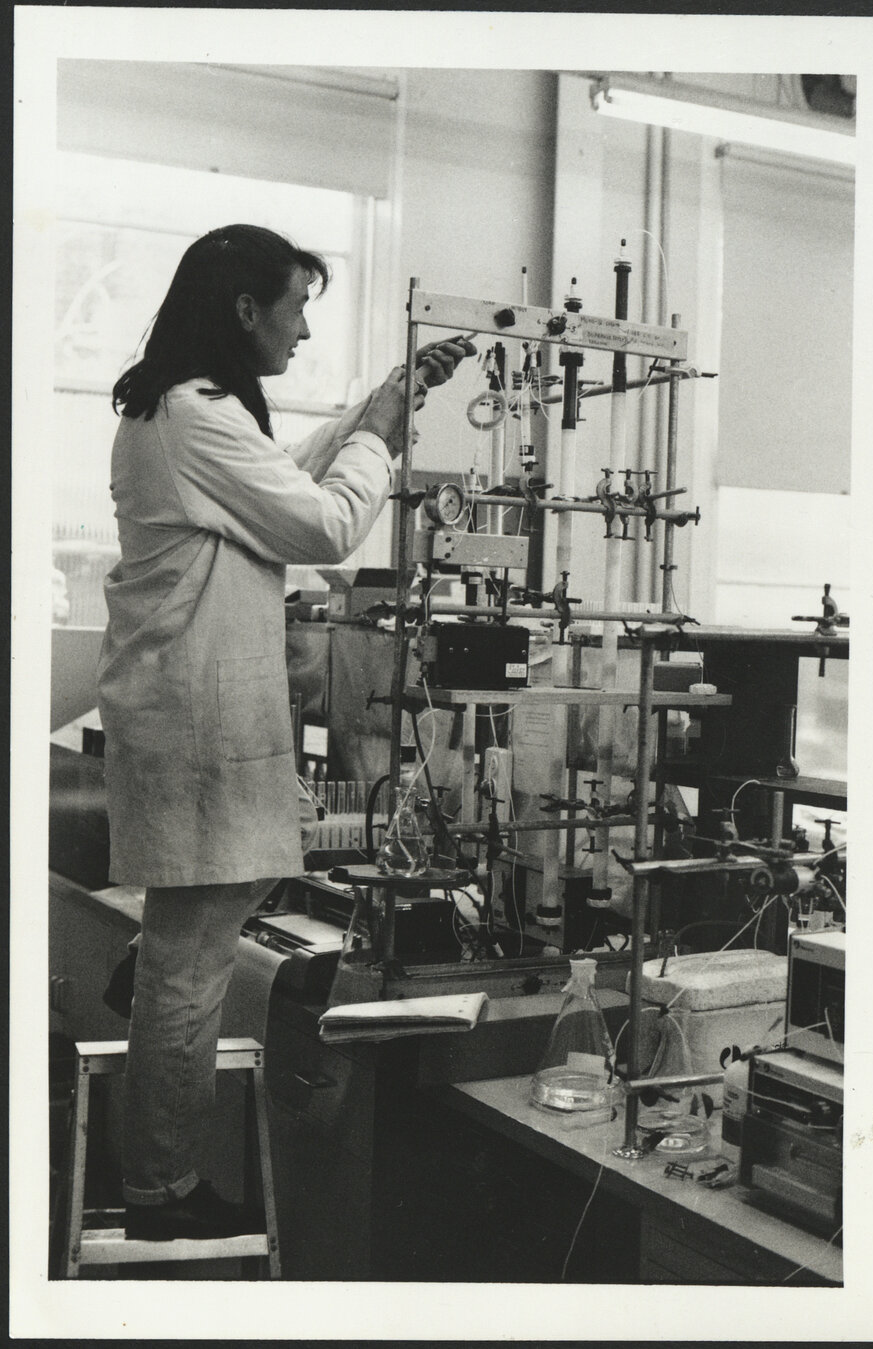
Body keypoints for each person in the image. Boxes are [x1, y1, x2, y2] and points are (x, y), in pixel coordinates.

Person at [96, 223, 473, 1241]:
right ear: (244, 310)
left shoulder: (190, 407)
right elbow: (323, 522)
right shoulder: (194, 414)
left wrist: (388, 399)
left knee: (196, 942)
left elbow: (284, 476)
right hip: (197, 726)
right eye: (296, 307)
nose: (302, 330)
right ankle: (162, 1193)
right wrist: (379, 438)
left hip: (192, 719)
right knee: (188, 966)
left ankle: (155, 1121)